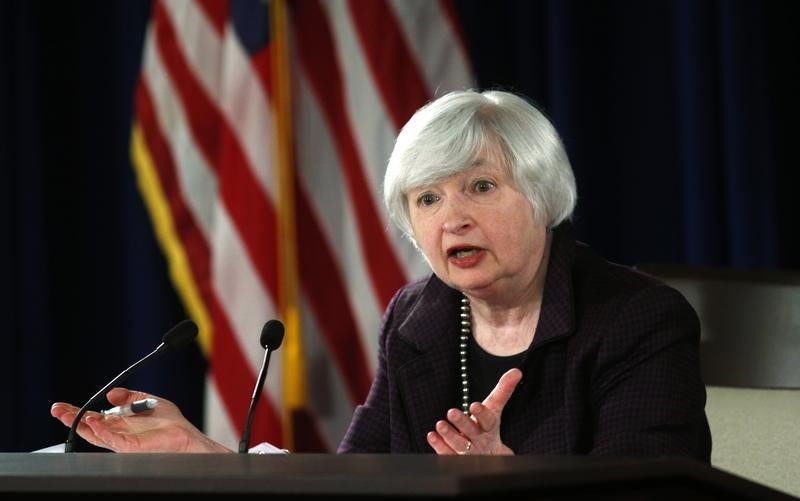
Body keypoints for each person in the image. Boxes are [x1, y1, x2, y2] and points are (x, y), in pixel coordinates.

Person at [51, 89, 712, 460]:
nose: (451, 218)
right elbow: (354, 482)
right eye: (427, 199)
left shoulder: (637, 319)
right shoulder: (417, 318)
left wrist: (509, 480)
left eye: (480, 186)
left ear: (542, 194)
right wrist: (208, 461)